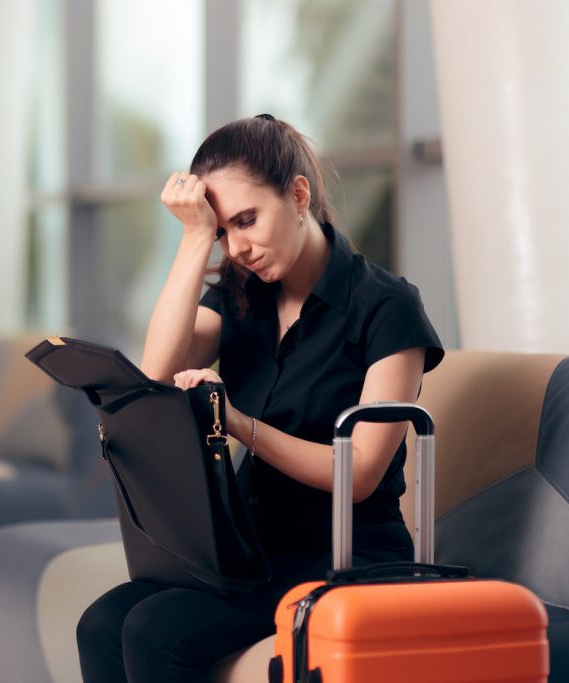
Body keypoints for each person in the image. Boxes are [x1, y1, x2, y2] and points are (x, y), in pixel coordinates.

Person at [75, 114, 444, 682]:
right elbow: (157, 369)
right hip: (253, 551)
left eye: (247, 220)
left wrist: (237, 422)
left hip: (346, 555)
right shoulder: (242, 298)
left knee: (155, 633)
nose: (239, 247)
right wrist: (196, 237)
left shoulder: (386, 307)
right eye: (225, 231)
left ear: (299, 195)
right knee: (99, 624)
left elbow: (362, 472)